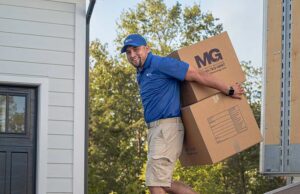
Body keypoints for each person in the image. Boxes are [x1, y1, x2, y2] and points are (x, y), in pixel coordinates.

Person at [121, 34, 244, 194]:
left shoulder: (160, 63)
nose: (132, 55)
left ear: (147, 48)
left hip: (166, 128)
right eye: (128, 52)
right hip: (155, 131)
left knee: (155, 183)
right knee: (163, 182)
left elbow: (197, 74)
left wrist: (228, 89)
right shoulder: (142, 73)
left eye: (136, 49)